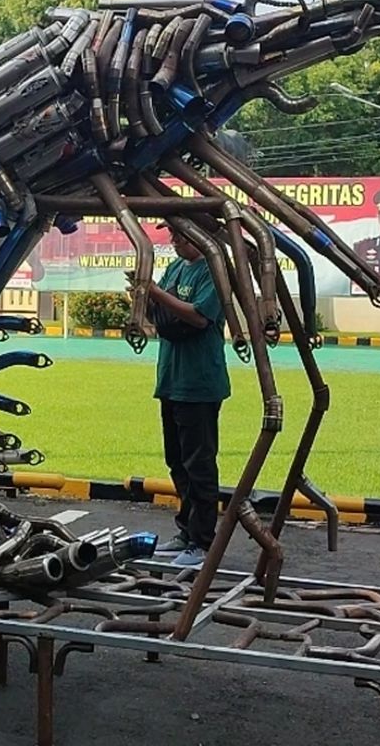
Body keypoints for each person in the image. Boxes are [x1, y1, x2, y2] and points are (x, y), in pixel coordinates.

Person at [128, 223, 230, 568]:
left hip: (199, 382)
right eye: (172, 235)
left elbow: (199, 318)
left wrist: (154, 292)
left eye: (180, 235)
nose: (174, 241)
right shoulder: (175, 268)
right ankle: (187, 532)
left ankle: (203, 542)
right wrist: (144, 297)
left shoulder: (214, 270)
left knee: (199, 464)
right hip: (172, 378)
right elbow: (165, 317)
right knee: (177, 462)